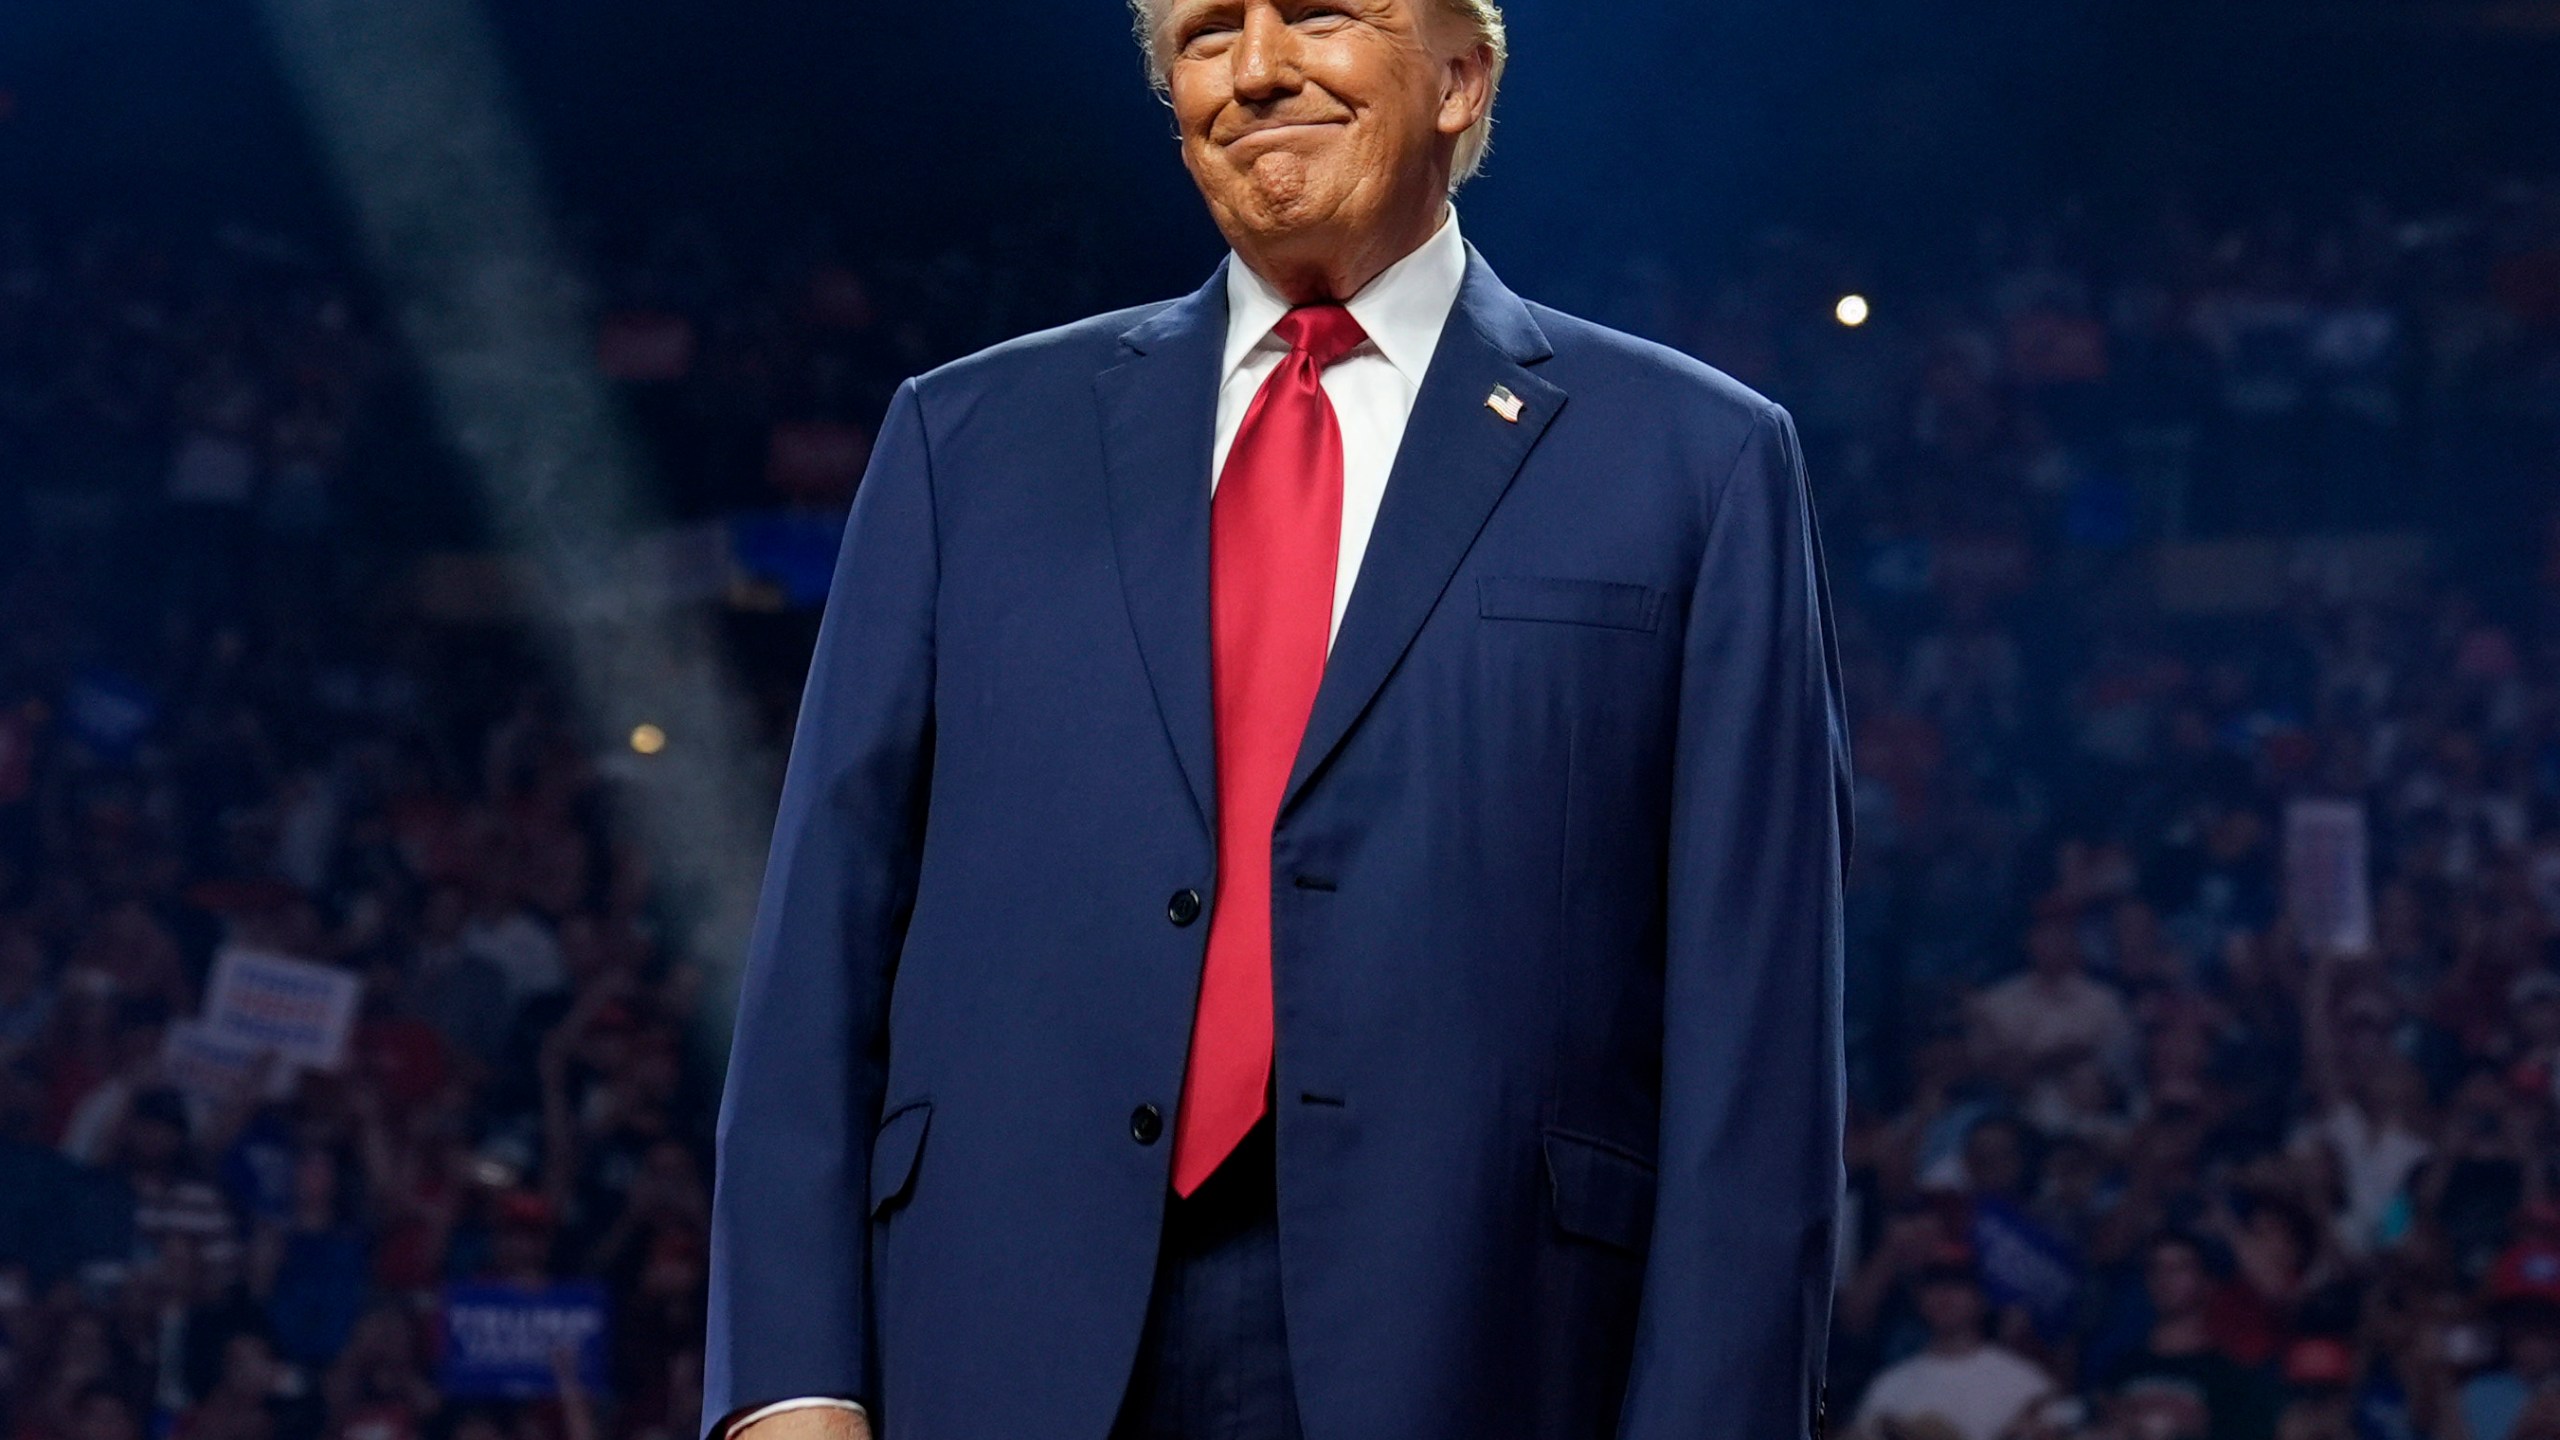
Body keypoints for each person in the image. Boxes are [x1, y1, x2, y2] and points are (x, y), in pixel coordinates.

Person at [702, 2, 1853, 1438]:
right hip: (1000, 1336)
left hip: (1491, 1345)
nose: (1254, 72)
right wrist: (786, 1382)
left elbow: (1760, 1025)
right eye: (1202, 35)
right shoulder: (966, 441)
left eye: (1319, 15)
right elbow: (821, 944)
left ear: (1460, 76)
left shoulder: (1696, 461)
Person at [1850, 1242, 2054, 1440]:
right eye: (1934, 1283)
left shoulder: (2025, 1382)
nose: (1944, 1294)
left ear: (1980, 1297)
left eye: (1957, 1283)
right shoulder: (1889, 1386)